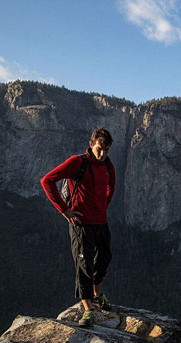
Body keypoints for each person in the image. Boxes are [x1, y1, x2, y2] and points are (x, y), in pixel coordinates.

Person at [40, 127, 116, 327]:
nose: (102, 154)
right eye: (100, 149)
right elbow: (47, 181)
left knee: (104, 258)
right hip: (80, 224)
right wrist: (65, 211)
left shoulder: (108, 166)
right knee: (84, 265)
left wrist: (102, 207)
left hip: (101, 222)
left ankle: (96, 293)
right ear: (91, 144)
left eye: (106, 150)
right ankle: (88, 309)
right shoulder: (77, 163)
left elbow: (111, 187)